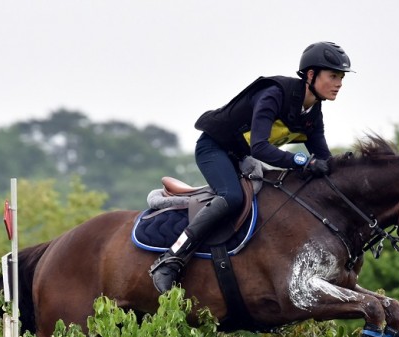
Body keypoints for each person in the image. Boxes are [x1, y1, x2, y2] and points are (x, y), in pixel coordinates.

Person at [149, 41, 353, 293]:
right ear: (311, 75)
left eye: (341, 78)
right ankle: (170, 259)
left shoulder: (313, 112)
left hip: (240, 156)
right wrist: (302, 161)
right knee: (232, 197)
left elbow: (323, 159)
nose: (339, 83)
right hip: (213, 148)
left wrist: (347, 168)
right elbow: (260, 148)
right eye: (333, 76)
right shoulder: (275, 94)